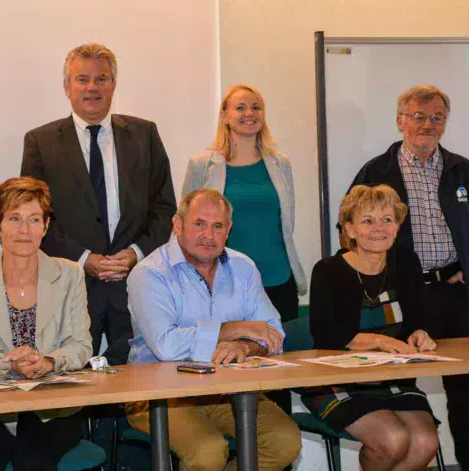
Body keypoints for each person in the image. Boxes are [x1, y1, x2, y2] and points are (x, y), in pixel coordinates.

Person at [351, 85, 469, 470]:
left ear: (445, 123)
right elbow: (352, 226)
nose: (427, 124)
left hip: (455, 293)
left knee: (465, 393)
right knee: (403, 390)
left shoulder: (462, 169)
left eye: (436, 117)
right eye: (418, 116)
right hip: (404, 296)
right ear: (400, 121)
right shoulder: (377, 172)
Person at [20, 42, 176, 366]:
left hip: (134, 287)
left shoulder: (145, 135)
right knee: (71, 392)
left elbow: (165, 210)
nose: (92, 88)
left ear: (113, 85)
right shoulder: (40, 142)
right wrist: (83, 258)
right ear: (67, 86)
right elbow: (33, 220)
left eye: (101, 79)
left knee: (138, 391)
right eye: (82, 79)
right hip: (71, 288)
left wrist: (135, 254)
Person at [126, 188, 301, 471]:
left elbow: (273, 334)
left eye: (217, 226)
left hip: (227, 390)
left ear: (228, 230)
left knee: (284, 441)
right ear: (177, 225)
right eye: (199, 224)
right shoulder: (150, 273)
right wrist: (235, 329)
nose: (209, 235)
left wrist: (245, 347)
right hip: (158, 395)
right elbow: (166, 346)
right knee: (208, 452)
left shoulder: (243, 267)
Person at [0, 177, 93, 471]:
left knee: (34, 457)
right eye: (14, 218)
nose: (24, 230)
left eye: (34, 219)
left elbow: (81, 347)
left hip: (52, 407)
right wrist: (8, 364)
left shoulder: (70, 275)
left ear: (46, 226)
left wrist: (49, 361)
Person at [182, 83, 306, 417]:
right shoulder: (202, 165)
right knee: (227, 370)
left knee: (276, 374)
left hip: (278, 280)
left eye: (255, 107)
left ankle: (275, 454)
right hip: (225, 285)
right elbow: (187, 226)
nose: (248, 114)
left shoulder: (280, 164)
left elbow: (286, 223)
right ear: (224, 115)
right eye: (240, 107)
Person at [303, 184, 440, 471]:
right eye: (368, 221)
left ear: (397, 226)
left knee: (426, 443)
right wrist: (380, 341)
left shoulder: (406, 263)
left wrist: (420, 333)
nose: (379, 228)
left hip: (393, 380)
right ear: (349, 229)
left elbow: (418, 319)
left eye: (387, 220)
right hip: (338, 381)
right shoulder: (328, 271)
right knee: (393, 439)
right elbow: (327, 335)